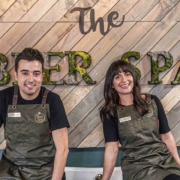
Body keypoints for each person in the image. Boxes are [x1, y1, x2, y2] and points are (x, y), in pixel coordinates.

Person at [100, 60, 180, 180]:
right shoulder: (110, 112)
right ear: (111, 84)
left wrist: (178, 164)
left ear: (133, 77)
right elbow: (112, 149)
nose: (124, 80)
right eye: (117, 76)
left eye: (127, 74)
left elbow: (166, 137)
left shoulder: (152, 101)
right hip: (137, 167)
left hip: (164, 161)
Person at [0, 48, 70, 180]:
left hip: (46, 172)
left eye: (36, 73)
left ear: (42, 76)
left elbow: (63, 149)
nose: (31, 79)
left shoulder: (53, 100)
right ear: (16, 75)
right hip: (11, 170)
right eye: (25, 73)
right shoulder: (4, 98)